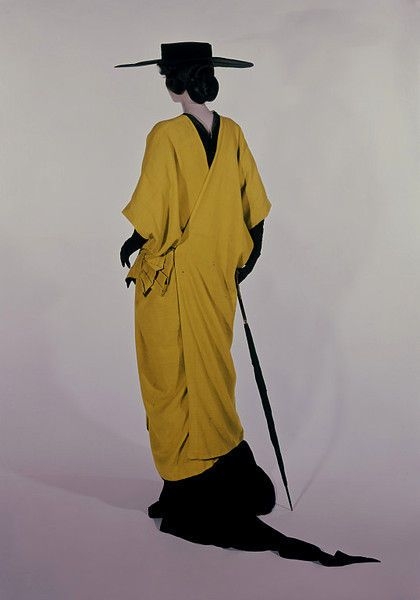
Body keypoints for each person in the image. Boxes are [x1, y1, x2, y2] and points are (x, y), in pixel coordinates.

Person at [118, 42, 380, 567]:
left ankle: (191, 483)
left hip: (176, 278)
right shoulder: (233, 132)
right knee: (210, 368)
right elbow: (253, 209)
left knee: (171, 374)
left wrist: (135, 240)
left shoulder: (165, 134)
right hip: (217, 275)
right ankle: (199, 477)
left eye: (166, 76)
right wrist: (243, 257)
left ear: (175, 82)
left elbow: (153, 211)